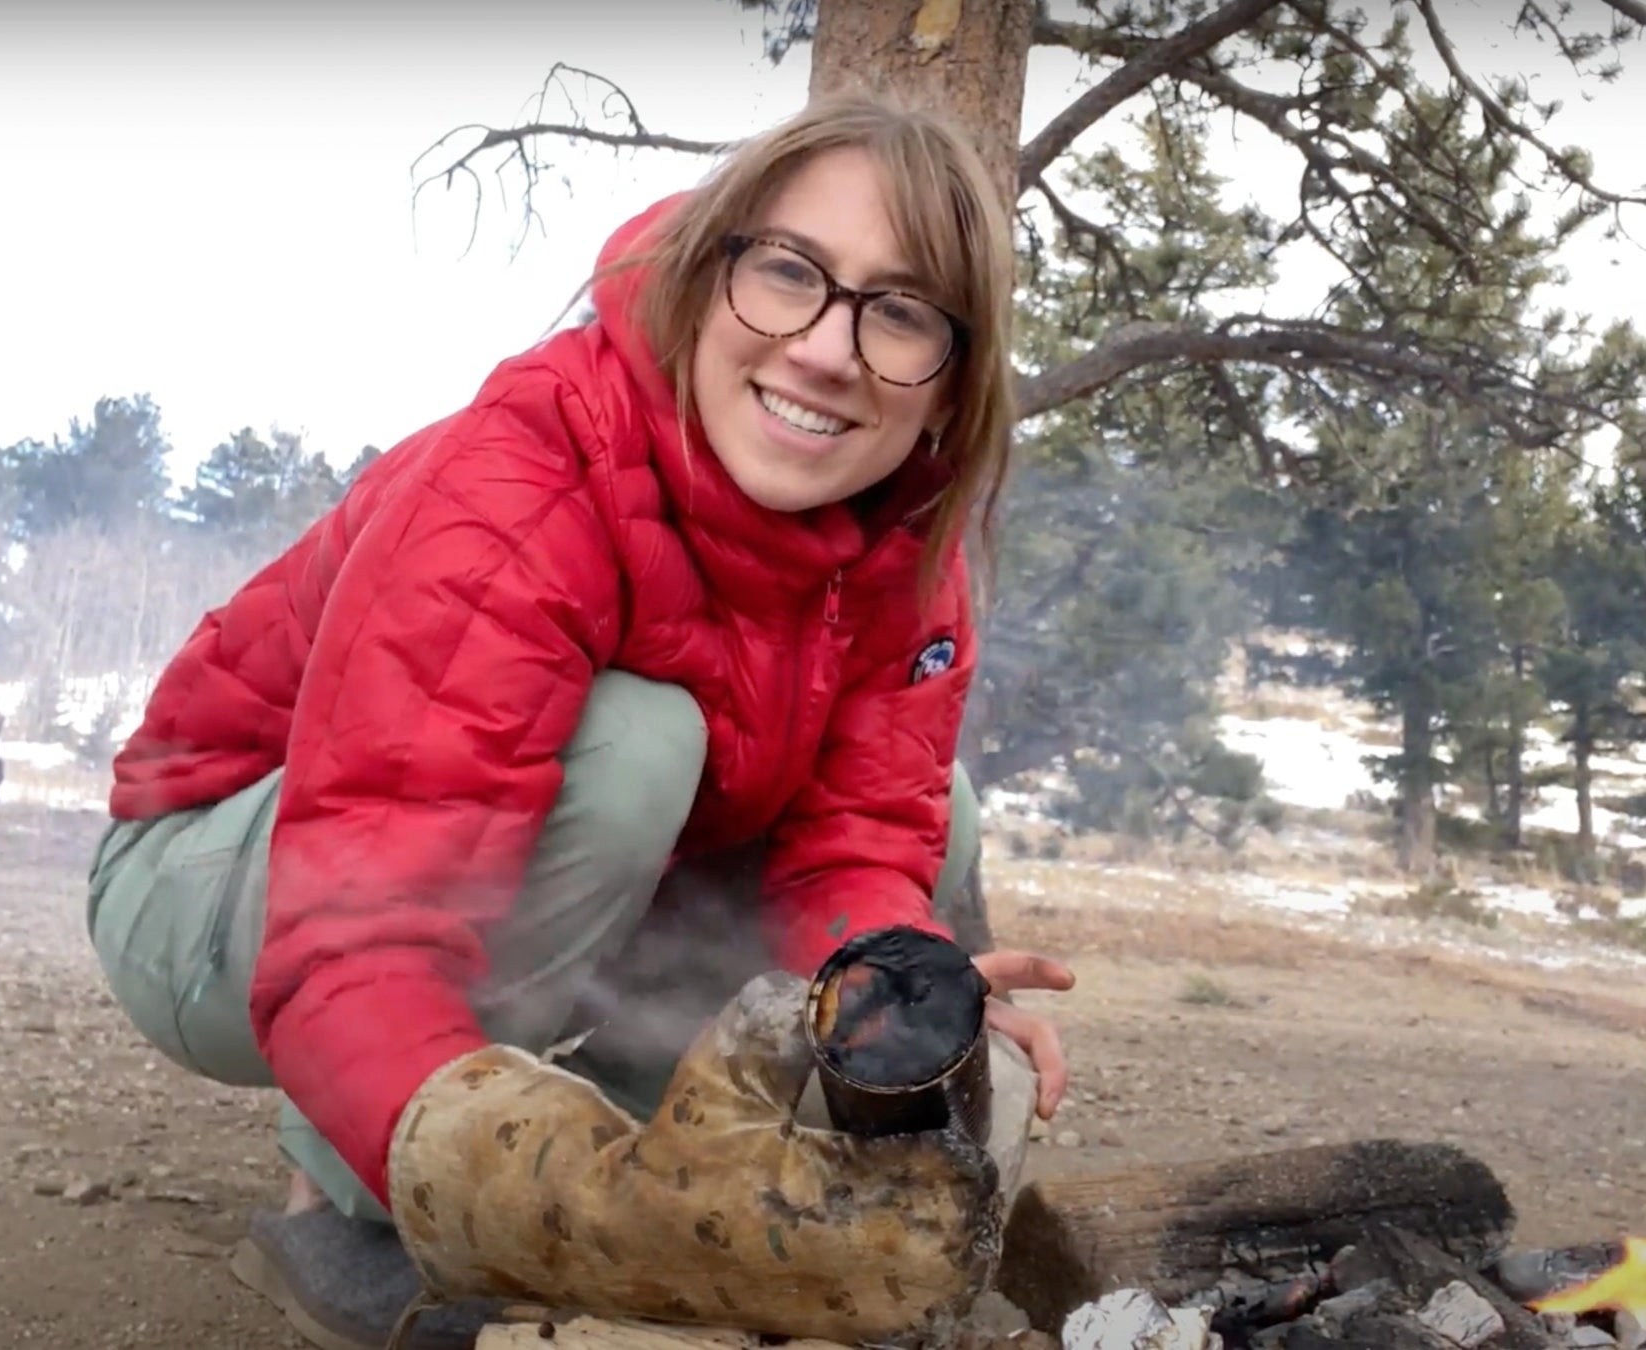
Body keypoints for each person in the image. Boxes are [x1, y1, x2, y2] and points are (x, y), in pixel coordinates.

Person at [82, 92, 1074, 1350]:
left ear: (949, 385)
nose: (829, 350)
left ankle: (640, 1170)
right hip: (216, 890)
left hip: (423, 874)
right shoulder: (524, 473)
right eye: (789, 271)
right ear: (703, 275)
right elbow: (363, 923)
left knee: (942, 817)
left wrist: (906, 998)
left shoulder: (902, 550)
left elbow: (857, 841)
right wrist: (466, 1160)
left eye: (902, 313)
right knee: (638, 745)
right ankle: (353, 1207)